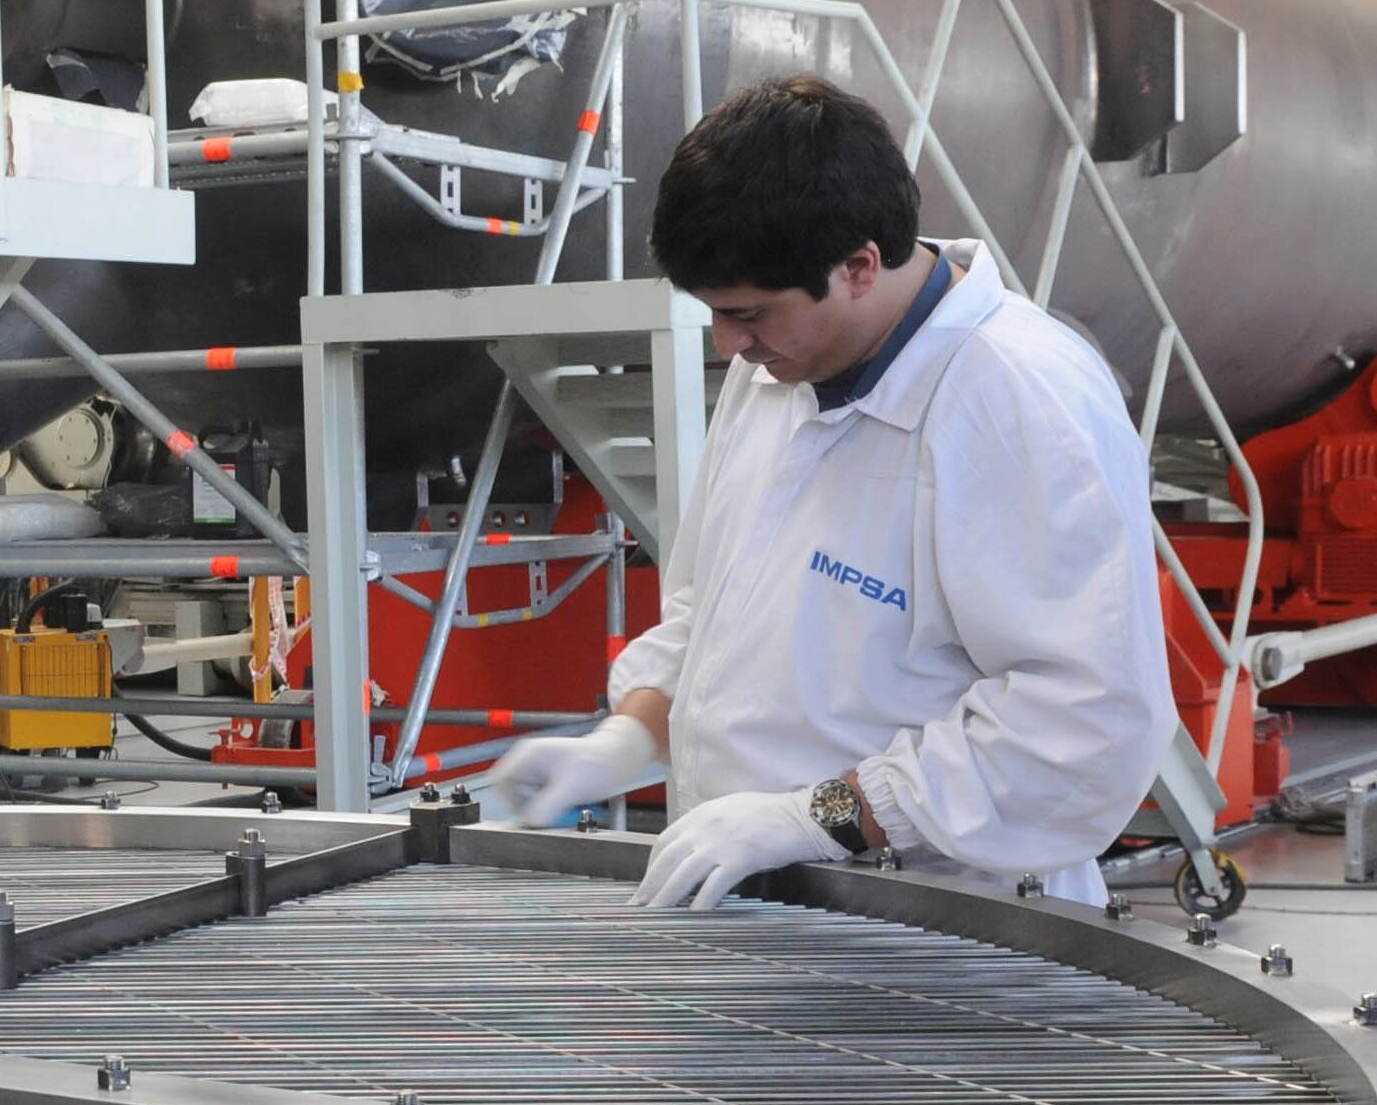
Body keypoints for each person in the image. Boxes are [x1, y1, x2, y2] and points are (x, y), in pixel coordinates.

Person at [484, 77, 1164, 910]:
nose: (731, 346)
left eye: (751, 314)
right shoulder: (781, 365)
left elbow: (1080, 726)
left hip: (946, 932)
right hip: (761, 907)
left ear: (859, 265)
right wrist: (628, 739)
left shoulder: (1018, 400)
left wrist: (821, 817)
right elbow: (714, 613)